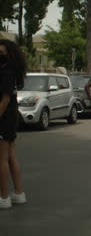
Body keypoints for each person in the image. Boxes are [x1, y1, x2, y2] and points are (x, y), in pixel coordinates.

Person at [0, 39, 27, 209]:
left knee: (1, 159)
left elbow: (4, 100)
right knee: (10, 156)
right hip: (10, 118)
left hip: (4, 119)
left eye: (2, 53)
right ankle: (18, 193)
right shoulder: (12, 72)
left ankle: (3, 197)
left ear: (10, 55)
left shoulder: (5, 74)